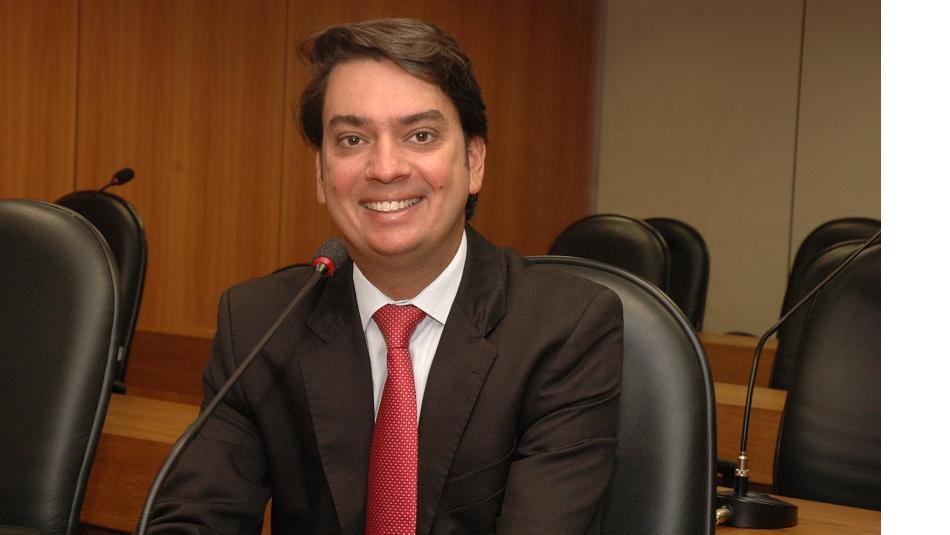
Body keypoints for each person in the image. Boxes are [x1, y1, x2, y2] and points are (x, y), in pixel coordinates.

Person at [149, 18, 622, 535]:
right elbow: (194, 518)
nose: (386, 167)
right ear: (321, 174)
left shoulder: (565, 327)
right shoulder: (261, 324)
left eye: (420, 135)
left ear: (474, 161)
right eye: (353, 139)